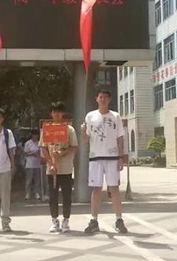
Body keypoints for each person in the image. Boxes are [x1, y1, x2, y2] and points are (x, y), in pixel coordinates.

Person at [81, 89, 128, 234]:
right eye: (100, 97)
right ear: (96, 98)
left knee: (114, 188)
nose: (103, 99)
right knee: (96, 189)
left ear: (109, 99)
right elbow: (86, 140)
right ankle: (94, 220)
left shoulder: (115, 116)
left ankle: (119, 219)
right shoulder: (90, 116)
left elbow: (120, 138)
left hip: (112, 157)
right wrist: (82, 131)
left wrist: (121, 157)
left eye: (105, 97)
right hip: (95, 157)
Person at [40, 102, 78, 233]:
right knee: (53, 196)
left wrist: (62, 153)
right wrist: (50, 163)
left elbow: (74, 147)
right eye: (54, 111)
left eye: (59, 111)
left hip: (66, 168)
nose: (56, 114)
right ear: (51, 113)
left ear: (63, 113)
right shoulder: (46, 129)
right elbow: (43, 148)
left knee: (67, 195)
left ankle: (66, 220)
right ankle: (54, 220)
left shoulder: (69, 129)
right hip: (52, 169)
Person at [24, 129, 42, 200]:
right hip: (29, 164)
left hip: (37, 164)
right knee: (29, 180)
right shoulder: (28, 143)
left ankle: (36, 193)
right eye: (34, 136)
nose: (35, 137)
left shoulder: (39, 143)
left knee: (37, 180)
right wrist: (33, 153)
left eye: (36, 136)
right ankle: (27, 193)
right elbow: (25, 153)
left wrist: (38, 154)